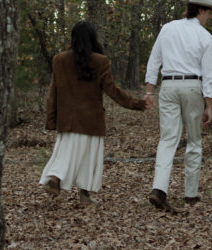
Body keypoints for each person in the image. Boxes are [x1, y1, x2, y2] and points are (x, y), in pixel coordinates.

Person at [40, 20, 147, 205]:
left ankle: (56, 178)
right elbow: (112, 90)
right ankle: (84, 194)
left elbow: (53, 92)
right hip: (91, 120)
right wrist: (137, 104)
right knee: (89, 157)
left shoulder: (59, 60)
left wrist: (51, 120)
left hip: (68, 120)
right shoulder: (100, 61)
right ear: (92, 39)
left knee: (65, 153)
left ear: (73, 38)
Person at [144, 0, 212, 212]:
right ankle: (191, 193)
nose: (210, 17)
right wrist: (209, 104)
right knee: (193, 140)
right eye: (210, 13)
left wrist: (149, 91)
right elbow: (208, 72)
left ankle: (159, 189)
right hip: (192, 86)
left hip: (168, 85)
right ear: (202, 10)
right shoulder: (205, 36)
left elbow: (154, 60)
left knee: (168, 139)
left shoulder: (168, 29)